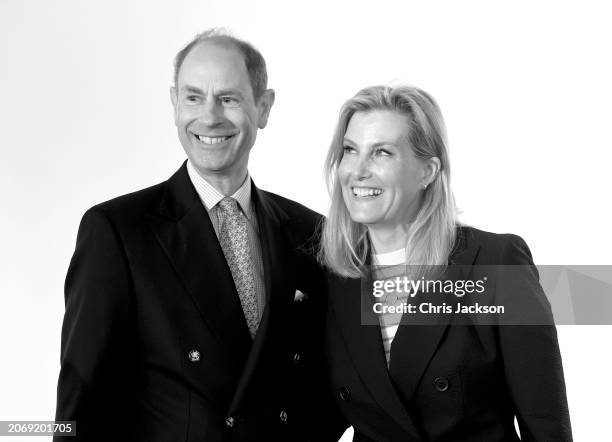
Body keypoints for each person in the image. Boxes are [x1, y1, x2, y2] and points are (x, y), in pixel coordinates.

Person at [55, 29, 341, 441]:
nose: (209, 117)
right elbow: (83, 398)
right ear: (174, 104)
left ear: (263, 107)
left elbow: (326, 383)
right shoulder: (118, 231)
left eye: (228, 98)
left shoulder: (310, 232)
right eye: (193, 97)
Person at [320, 85, 573, 441]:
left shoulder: (495, 263)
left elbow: (546, 425)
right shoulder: (336, 278)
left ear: (427, 171)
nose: (357, 170)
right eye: (349, 150)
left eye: (382, 153)